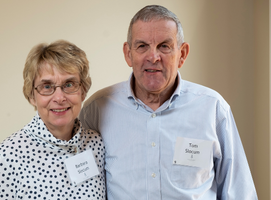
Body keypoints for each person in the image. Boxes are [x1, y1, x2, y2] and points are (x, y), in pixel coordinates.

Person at [79, 5, 258, 200]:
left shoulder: (213, 109)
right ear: (128, 53)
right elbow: (82, 186)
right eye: (142, 46)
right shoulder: (96, 110)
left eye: (164, 46)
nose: (153, 57)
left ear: (182, 54)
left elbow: (240, 193)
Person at [0, 40, 106, 200]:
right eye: (47, 87)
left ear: (83, 91)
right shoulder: (6, 157)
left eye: (69, 84)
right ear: (32, 95)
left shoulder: (97, 144)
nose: (59, 97)